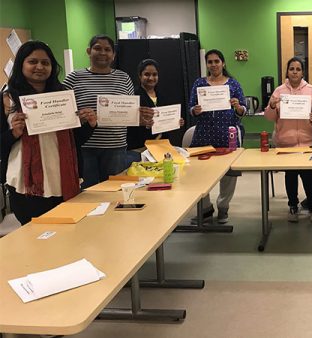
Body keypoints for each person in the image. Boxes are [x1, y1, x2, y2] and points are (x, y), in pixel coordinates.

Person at [1, 41, 96, 225]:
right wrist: (13, 133)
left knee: (67, 234)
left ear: (52, 67)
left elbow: (75, 141)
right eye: (33, 61)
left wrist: (89, 125)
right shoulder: (7, 99)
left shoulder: (63, 96)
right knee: (35, 237)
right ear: (21, 64)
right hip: (25, 185)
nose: (39, 67)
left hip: (63, 179)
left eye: (45, 63)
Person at [63, 34, 154, 188]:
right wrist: (79, 117)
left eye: (107, 49)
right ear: (88, 51)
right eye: (97, 48)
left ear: (113, 55)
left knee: (116, 190)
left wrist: (141, 119)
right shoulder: (74, 78)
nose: (102, 53)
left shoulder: (123, 78)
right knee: (88, 192)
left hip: (115, 147)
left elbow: (129, 112)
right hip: (85, 147)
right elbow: (64, 111)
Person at [188, 49, 246, 224]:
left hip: (226, 135)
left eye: (216, 61)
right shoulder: (199, 84)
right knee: (199, 174)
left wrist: (237, 106)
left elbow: (243, 110)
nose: (213, 65)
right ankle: (205, 209)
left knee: (229, 175)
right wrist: (195, 110)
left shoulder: (233, 85)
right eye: (210, 62)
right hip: (203, 136)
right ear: (206, 64)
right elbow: (191, 108)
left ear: (223, 63)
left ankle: (223, 207)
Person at [265, 57, 312, 223]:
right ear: (287, 71)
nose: (295, 72)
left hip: (307, 141)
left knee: (307, 176)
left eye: (298, 69)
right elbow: (269, 117)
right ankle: (293, 206)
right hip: (285, 142)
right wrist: (272, 106)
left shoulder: (311, 90)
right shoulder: (279, 91)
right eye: (292, 69)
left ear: (303, 72)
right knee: (290, 176)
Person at [126, 58, 184, 166]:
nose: (151, 78)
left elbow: (166, 121)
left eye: (154, 74)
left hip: (161, 148)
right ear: (140, 76)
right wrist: (141, 122)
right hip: (139, 149)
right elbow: (127, 123)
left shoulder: (162, 96)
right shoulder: (133, 96)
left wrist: (176, 122)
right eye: (147, 74)